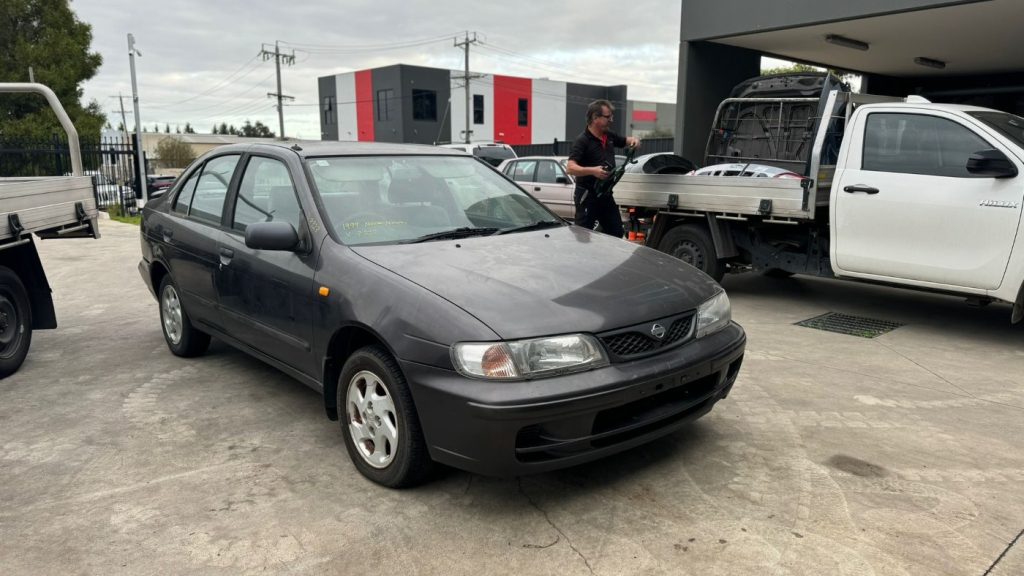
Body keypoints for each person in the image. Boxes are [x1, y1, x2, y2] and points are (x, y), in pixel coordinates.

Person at [566, 99, 640, 237]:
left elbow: (626, 140)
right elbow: (570, 168)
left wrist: (635, 141)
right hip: (587, 196)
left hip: (605, 195)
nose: (611, 120)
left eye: (611, 116)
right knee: (583, 236)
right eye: (608, 117)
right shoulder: (582, 141)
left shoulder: (609, 136)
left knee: (616, 233)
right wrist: (593, 171)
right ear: (595, 118)